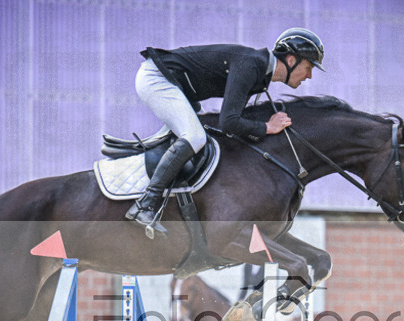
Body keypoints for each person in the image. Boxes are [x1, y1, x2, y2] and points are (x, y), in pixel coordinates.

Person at [126, 28, 326, 237]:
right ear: (292, 59)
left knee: (204, 137)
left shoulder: (259, 70)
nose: (310, 75)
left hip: (177, 86)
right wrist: (267, 127)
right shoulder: (251, 65)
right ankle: (145, 204)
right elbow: (229, 122)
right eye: (309, 66)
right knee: (194, 137)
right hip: (157, 78)